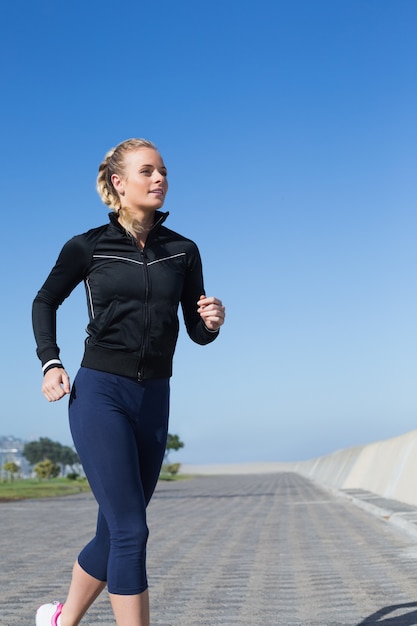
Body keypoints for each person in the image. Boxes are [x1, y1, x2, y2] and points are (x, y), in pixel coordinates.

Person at [32, 138, 225, 626]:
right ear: (119, 183)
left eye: (163, 171)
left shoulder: (183, 250)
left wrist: (212, 322)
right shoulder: (88, 246)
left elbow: (197, 332)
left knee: (115, 531)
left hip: (154, 399)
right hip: (100, 393)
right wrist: (50, 362)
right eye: (147, 171)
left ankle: (61, 620)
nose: (159, 179)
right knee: (131, 531)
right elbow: (44, 301)